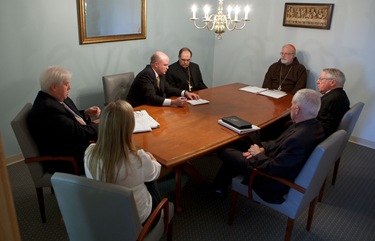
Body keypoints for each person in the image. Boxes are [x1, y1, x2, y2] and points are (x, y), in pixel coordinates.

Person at [213, 89, 325, 203]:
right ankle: (219, 186)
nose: (290, 108)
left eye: (292, 105)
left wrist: (257, 154)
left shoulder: (298, 140)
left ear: (297, 110)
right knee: (238, 142)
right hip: (273, 158)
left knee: (224, 150)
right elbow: (278, 142)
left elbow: (273, 169)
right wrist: (262, 148)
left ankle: (218, 186)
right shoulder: (313, 126)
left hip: (269, 178)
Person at [84, 100, 162, 225]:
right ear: (130, 127)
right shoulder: (138, 159)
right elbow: (157, 172)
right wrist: (151, 158)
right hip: (138, 220)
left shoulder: (89, 152)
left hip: (105, 215)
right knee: (151, 178)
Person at [28, 66, 100, 175]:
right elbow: (79, 132)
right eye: (66, 84)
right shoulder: (48, 109)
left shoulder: (55, 98)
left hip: (74, 143)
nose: (70, 87)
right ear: (54, 87)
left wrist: (85, 113)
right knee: (114, 152)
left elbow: (66, 119)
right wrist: (106, 125)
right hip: (67, 159)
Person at [126, 51, 200, 108]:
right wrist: (173, 102)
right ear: (156, 65)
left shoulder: (160, 73)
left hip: (151, 106)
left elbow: (168, 88)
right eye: (165, 65)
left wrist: (185, 93)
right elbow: (151, 97)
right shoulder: (146, 74)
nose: (167, 67)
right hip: (137, 109)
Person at [316, 68, 350, 137]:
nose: (317, 82)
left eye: (321, 79)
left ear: (332, 83)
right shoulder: (341, 94)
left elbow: (324, 127)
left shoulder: (330, 100)